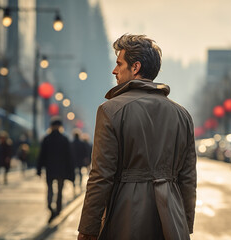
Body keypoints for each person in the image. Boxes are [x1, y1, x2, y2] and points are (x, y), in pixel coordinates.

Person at [78, 34, 197, 240]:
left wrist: (88, 229)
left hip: (126, 216)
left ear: (135, 67)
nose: (114, 70)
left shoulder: (110, 110)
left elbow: (101, 176)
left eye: (119, 64)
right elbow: (188, 179)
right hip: (172, 219)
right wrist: (184, 225)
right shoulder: (182, 115)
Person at [36, 117, 74, 223]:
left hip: (50, 169)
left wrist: (39, 169)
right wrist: (71, 173)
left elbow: (41, 155)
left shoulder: (46, 138)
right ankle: (58, 209)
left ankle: (50, 207)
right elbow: (69, 157)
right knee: (60, 191)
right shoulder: (64, 139)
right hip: (61, 170)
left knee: (50, 190)